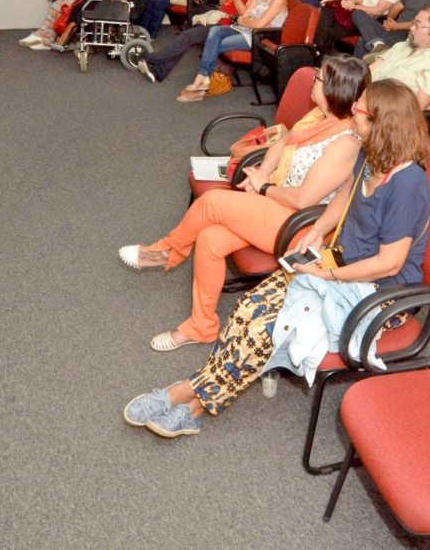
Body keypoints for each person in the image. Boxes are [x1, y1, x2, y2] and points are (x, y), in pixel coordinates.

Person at [121, 79, 430, 437]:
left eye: (359, 110)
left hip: (381, 293)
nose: (354, 113)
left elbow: (390, 263)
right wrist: (319, 230)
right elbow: (346, 194)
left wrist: (327, 277)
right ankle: (193, 405)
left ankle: (184, 395)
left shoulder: (408, 184)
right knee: (248, 309)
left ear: (380, 123)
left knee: (267, 330)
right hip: (339, 264)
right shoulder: (371, 152)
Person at [119, 55, 370, 351]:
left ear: (334, 90)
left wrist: (263, 187)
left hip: (301, 227)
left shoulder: (345, 143)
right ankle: (202, 326)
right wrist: (263, 171)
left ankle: (166, 251)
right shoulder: (319, 117)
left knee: (212, 202)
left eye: (319, 77)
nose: (313, 80)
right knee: (211, 238)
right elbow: (282, 142)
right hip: (278, 203)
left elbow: (304, 200)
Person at [136, 0, 263, 84]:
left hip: (227, 26)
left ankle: (150, 59)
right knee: (188, 38)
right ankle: (159, 71)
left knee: (188, 37)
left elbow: (245, 14)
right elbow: (221, 2)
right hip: (216, 18)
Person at [176, 0, 290, 101]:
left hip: (259, 38)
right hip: (244, 29)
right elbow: (243, 17)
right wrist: (250, 21)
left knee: (216, 44)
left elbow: (259, 25)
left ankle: (199, 82)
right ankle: (202, 80)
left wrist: (251, 21)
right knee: (215, 32)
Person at [370, 6, 430, 109]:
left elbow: (416, 108)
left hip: (383, 114)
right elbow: (368, 72)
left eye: (417, 25)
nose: (411, 28)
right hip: (363, 99)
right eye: (413, 23)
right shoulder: (402, 46)